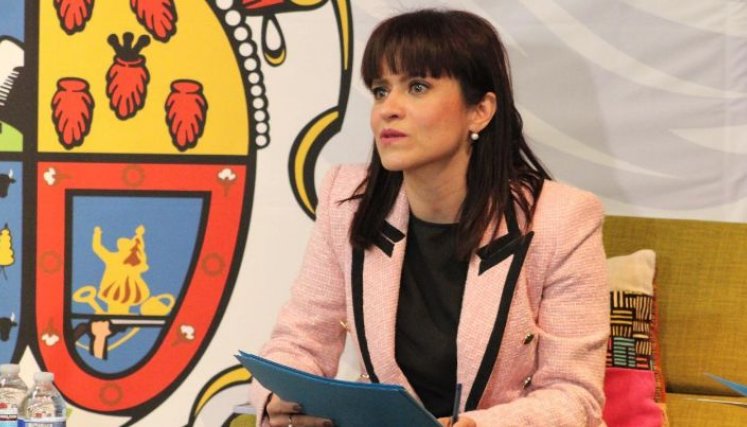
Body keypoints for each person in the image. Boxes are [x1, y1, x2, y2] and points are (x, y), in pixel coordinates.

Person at [251, 8, 608, 427]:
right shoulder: (345, 201)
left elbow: (574, 395)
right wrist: (278, 401)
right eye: (381, 91)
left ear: (480, 111)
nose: (388, 109)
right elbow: (301, 342)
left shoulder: (562, 219)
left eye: (417, 86)